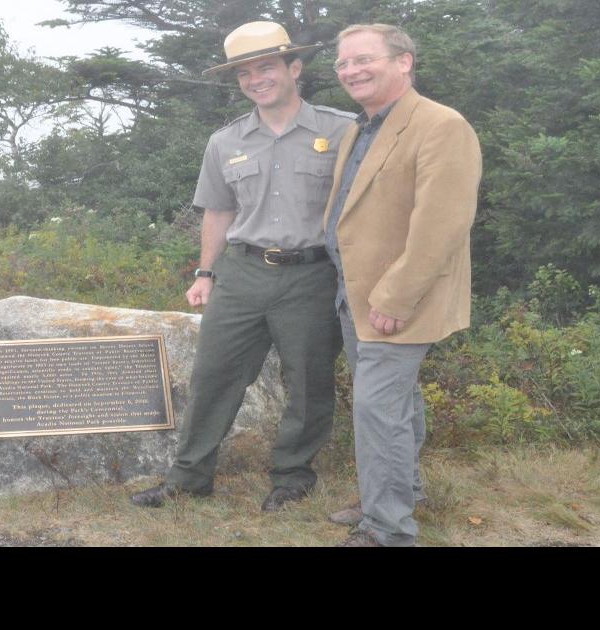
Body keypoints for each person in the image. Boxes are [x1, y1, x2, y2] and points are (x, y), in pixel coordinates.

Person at [130, 21, 354, 512]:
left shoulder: (341, 130)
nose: (256, 79)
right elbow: (218, 211)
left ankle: (293, 476)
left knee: (309, 381)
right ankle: (190, 478)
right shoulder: (224, 142)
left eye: (266, 67)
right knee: (214, 375)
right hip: (242, 274)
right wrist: (206, 273)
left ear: (294, 68)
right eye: (245, 73)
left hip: (314, 275)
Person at [322, 24, 482, 546]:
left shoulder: (441, 125)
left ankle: (387, 529)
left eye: (364, 59)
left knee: (378, 410)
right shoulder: (361, 127)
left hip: (397, 301)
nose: (351, 71)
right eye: (344, 64)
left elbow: (442, 225)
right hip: (354, 292)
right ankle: (401, 492)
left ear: (404, 62)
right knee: (397, 403)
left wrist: (394, 298)